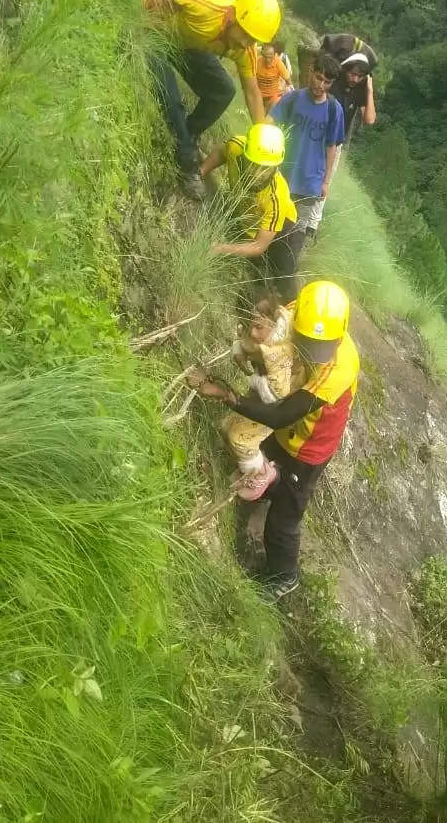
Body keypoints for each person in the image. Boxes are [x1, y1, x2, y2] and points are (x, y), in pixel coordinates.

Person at [193, 280, 359, 599]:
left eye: (322, 344)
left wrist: (230, 396)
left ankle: (284, 577)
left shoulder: (340, 366)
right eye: (308, 341)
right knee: (255, 451)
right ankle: (266, 481)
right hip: (282, 425)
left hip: (310, 444)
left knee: (285, 515)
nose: (315, 352)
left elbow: (283, 414)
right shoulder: (298, 312)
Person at [122, 0, 281, 198]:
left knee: (224, 90)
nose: (247, 43)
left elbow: (251, 91)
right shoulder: (207, 4)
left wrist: (262, 134)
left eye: (253, 40)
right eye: (246, 35)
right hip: (153, 33)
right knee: (172, 100)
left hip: (185, 46)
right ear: (235, 17)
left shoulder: (244, 48)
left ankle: (188, 134)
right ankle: (187, 164)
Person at [200, 122, 301, 302]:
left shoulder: (276, 196)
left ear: (276, 166)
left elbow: (258, 246)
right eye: (254, 164)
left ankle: (286, 311)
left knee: (283, 279)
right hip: (251, 217)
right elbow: (220, 153)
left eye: (265, 168)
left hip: (285, 227)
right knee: (255, 271)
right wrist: (201, 172)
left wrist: (221, 249)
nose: (257, 173)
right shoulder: (236, 147)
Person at [217, 296, 303, 501]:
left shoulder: (280, 350)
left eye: (258, 328)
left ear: (273, 324)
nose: (253, 333)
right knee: (229, 427)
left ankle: (261, 474)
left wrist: (256, 380)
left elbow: (277, 395)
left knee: (240, 438)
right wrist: (239, 349)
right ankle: (242, 464)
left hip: (276, 405)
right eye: (250, 327)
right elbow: (247, 341)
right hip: (262, 393)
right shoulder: (264, 332)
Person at [269, 53, 344, 259]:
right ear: (311, 72)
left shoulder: (334, 110)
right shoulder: (293, 99)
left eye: (326, 82)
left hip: (311, 180)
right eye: (318, 77)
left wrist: (326, 182)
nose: (320, 84)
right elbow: (271, 121)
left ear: (331, 83)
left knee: (297, 230)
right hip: (284, 172)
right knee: (274, 216)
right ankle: (263, 259)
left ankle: (285, 268)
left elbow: (332, 148)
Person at [254, 42, 292, 114]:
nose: (268, 60)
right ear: (262, 54)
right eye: (266, 57)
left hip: (272, 97)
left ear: (275, 55)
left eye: (270, 57)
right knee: (259, 117)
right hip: (259, 95)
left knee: (269, 116)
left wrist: (290, 90)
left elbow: (288, 79)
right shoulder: (257, 62)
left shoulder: (278, 63)